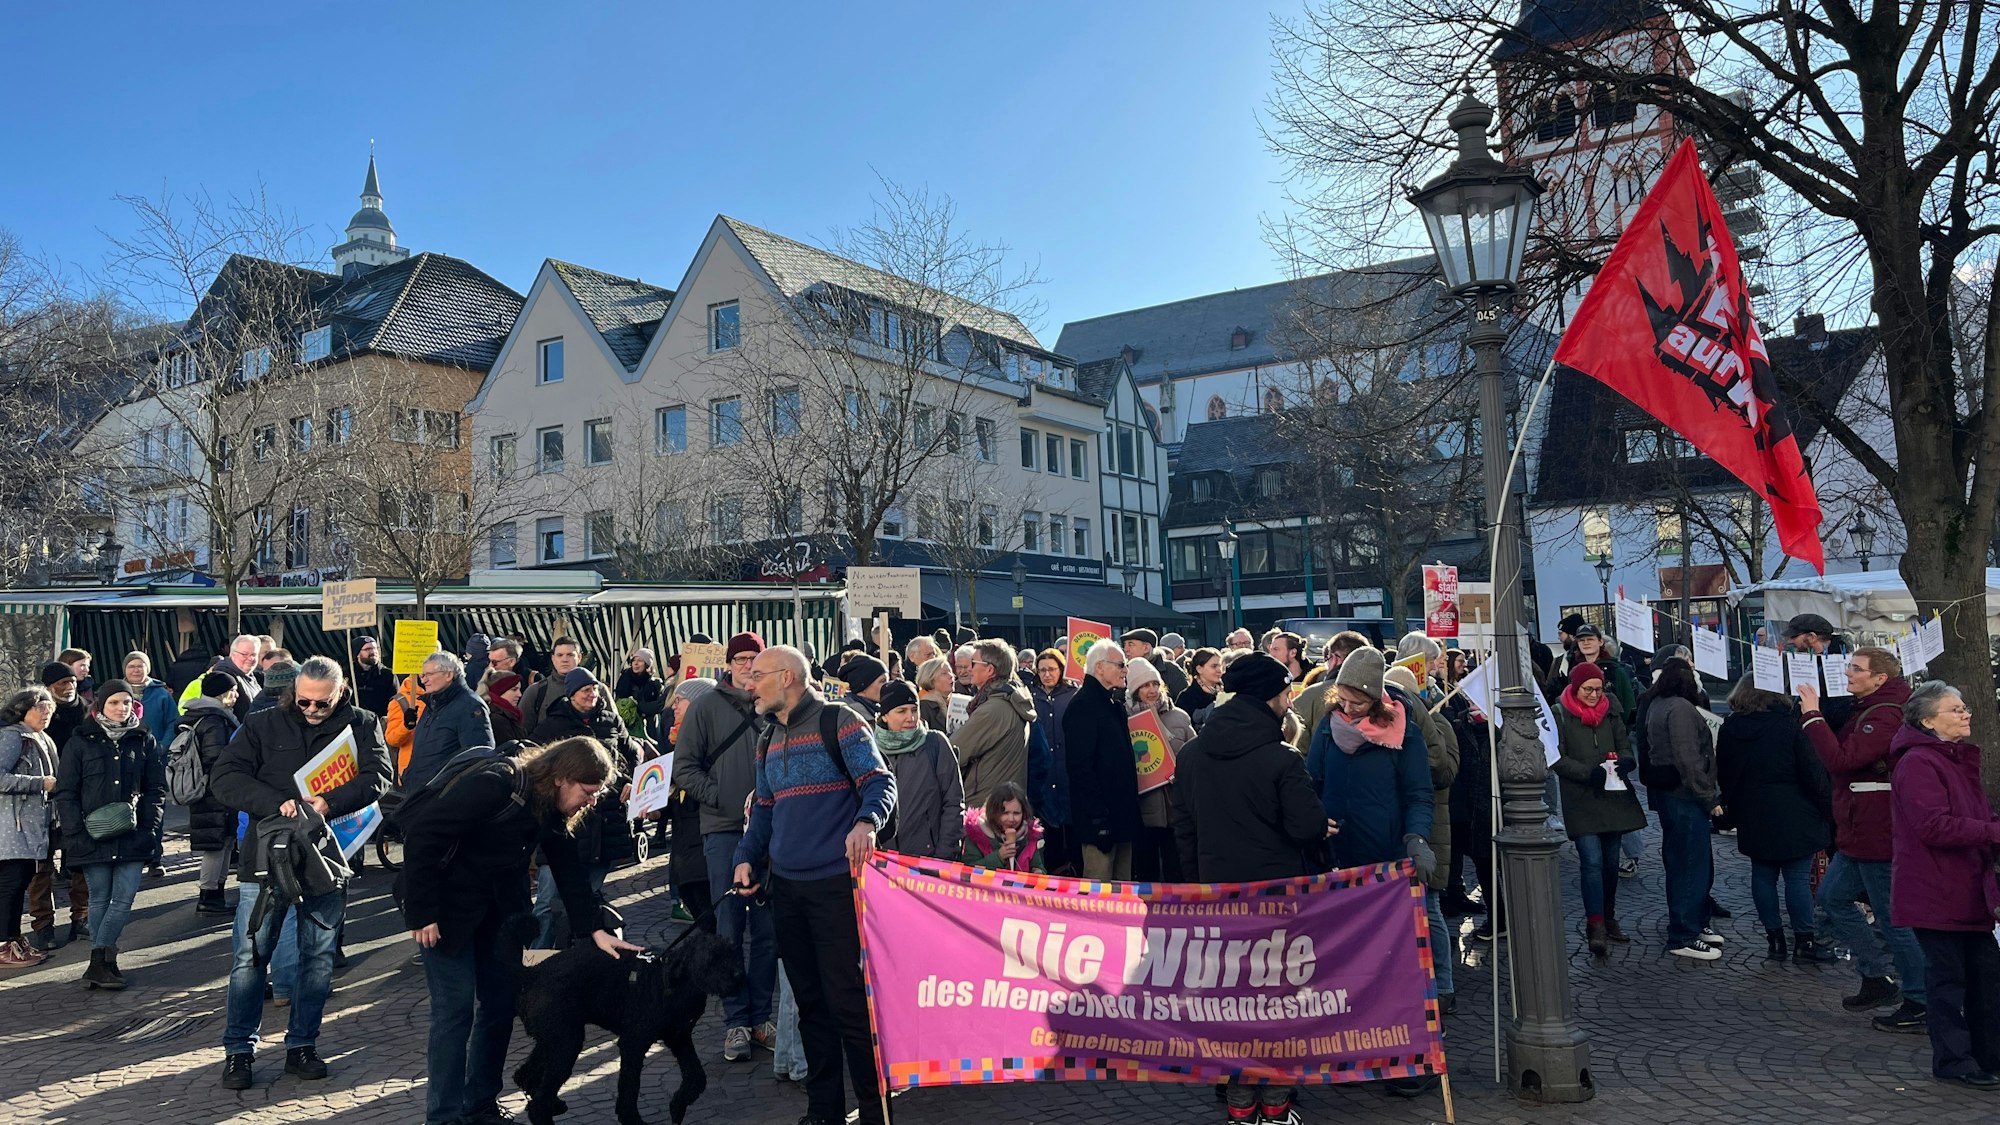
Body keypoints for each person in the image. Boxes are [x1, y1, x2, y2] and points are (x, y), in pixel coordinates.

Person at [402, 736, 640, 1125]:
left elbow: (568, 870)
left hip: (497, 916)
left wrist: (594, 929)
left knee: (498, 1006)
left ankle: (479, 1105)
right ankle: (443, 1117)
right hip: (446, 911)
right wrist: (422, 912)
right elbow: (425, 835)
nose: (592, 801)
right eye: (589, 790)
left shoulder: (550, 807)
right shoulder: (496, 784)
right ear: (562, 777)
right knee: (454, 1010)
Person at [210, 656, 392, 1090]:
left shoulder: (363, 723)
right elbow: (224, 777)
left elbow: (379, 776)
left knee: (317, 960)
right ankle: (239, 1051)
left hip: (325, 858)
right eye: (305, 702)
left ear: (340, 691)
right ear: (294, 691)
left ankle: (302, 1046)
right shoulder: (262, 723)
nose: (311, 710)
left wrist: (332, 801)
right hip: (266, 858)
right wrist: (277, 802)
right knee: (249, 960)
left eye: (322, 704)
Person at [732, 645, 896, 1125]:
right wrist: (745, 858)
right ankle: (823, 1111)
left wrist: (867, 823)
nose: (748, 682)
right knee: (809, 1006)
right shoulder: (765, 739)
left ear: (786, 677)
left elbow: (880, 783)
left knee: (849, 1006)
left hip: (835, 889)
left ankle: (873, 1111)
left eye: (757, 675)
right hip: (787, 891)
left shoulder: (840, 721)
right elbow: (764, 809)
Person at [1171, 649, 1327, 1125]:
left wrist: (1197, 882)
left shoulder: (1193, 752)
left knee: (1230, 997)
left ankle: (1239, 1099)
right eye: (1285, 693)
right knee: (1277, 998)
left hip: (1217, 897)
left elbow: (1185, 826)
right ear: (1273, 698)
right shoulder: (1281, 757)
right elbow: (1306, 827)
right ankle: (1276, 1103)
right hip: (1277, 900)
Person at [1799, 646, 1929, 1030]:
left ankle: (1920, 998)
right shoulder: (1871, 709)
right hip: (1859, 830)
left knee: (1893, 920)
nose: (1848, 674)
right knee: (1831, 897)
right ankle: (1876, 976)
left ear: (1879, 679)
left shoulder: (1885, 716)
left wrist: (1812, 717)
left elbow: (1841, 760)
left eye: (1856, 669)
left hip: (1876, 831)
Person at [1888, 681, 2000, 1088]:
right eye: (1955, 709)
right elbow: (1932, 826)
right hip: (1935, 890)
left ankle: (1989, 1054)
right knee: (1948, 981)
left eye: (1965, 707)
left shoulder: (1955, 759)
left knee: (1986, 976)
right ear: (1928, 720)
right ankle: (1953, 1060)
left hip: (1967, 887)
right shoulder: (1918, 762)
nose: (1966, 713)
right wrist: (1992, 832)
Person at [672, 631, 777, 1063]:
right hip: (723, 831)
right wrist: (718, 797)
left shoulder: (773, 706)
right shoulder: (704, 708)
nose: (747, 665)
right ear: (728, 663)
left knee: (769, 932)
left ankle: (760, 1017)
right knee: (729, 930)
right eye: (740, 658)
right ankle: (735, 1021)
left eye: (754, 658)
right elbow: (684, 767)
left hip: (772, 832)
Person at [51, 679, 167, 989]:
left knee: (124, 899)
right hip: (91, 834)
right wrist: (76, 831)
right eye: (114, 702)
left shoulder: (143, 739)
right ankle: (106, 963)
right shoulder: (80, 741)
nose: (121, 708)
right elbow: (66, 792)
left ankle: (97, 962)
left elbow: (156, 789)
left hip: (132, 835)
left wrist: (150, 828)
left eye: (126, 702)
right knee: (99, 898)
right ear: (100, 706)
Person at [1715, 675, 1835, 963]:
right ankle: (1804, 941)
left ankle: (1775, 940)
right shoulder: (1788, 727)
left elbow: (1724, 771)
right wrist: (1827, 805)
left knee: (1763, 875)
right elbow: (1813, 773)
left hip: (1752, 810)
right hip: (1794, 811)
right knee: (1796, 878)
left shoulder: (1730, 727)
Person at [529, 668, 639, 948]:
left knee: (587, 894)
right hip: (564, 823)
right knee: (547, 902)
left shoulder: (611, 719)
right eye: (585, 690)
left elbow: (631, 753)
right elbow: (538, 766)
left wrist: (630, 780)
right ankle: (536, 959)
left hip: (604, 824)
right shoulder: (552, 726)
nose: (592, 694)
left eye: (595, 688)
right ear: (570, 694)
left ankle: (573, 957)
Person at [1304, 647, 1435, 878]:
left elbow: (1419, 794)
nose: (1347, 709)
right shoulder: (1328, 726)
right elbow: (1311, 783)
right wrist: (1314, 820)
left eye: (1357, 703)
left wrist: (1417, 837)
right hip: (1334, 853)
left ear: (1375, 702)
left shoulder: (1405, 733)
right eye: (1342, 700)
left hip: (1385, 857)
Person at [1551, 662, 1647, 957]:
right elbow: (1556, 756)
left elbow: (1625, 744)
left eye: (1597, 688)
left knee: (1609, 862)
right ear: (1575, 688)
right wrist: (1586, 772)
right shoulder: (1559, 714)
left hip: (1613, 796)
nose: (1594, 694)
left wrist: (1627, 761)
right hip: (1581, 796)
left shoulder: (1611, 709)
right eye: (1587, 689)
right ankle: (1596, 926)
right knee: (1591, 861)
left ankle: (1608, 916)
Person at [1646, 661, 1725, 961]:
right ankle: (1684, 933)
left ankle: (1694, 923)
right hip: (1684, 796)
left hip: (1674, 795)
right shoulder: (1679, 708)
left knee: (1686, 862)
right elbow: (1688, 758)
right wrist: (1709, 797)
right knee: (1690, 864)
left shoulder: (1658, 704)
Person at [1064, 640, 1141, 880]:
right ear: (1100, 668)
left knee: (1122, 894)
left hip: (1121, 819)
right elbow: (1080, 769)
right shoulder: (1082, 707)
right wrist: (1098, 820)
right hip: (1099, 823)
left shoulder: (1113, 705)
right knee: (1099, 896)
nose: (1125, 670)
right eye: (1120, 664)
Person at [177, 672, 245, 917]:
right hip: (214, 791)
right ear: (221, 693)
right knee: (217, 844)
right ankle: (210, 896)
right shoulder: (215, 720)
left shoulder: (202, 716)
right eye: (233, 690)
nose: (236, 695)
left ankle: (215, 893)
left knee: (223, 842)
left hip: (207, 789)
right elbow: (217, 759)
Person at [872, 680, 963, 860]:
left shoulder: (935, 743)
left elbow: (953, 802)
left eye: (914, 709)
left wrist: (944, 853)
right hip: (883, 863)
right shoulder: (870, 748)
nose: (910, 717)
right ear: (884, 716)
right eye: (901, 711)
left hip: (929, 860)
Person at [0, 688, 58, 968]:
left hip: (32, 825)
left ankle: (14, 939)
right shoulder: (13, 736)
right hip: (12, 827)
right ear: (23, 709)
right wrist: (39, 783)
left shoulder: (42, 738)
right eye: (40, 709)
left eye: (49, 709)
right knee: (11, 885)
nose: (46, 714)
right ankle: (5, 943)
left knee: (20, 881)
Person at [1123, 657, 1192, 882]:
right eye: (1144, 685)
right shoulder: (1124, 719)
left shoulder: (1179, 716)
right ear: (1134, 690)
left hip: (1176, 806)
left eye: (1154, 684)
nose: (1151, 690)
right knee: (1147, 872)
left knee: (1177, 870)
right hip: (1144, 809)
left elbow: (1194, 756)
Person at [953, 639, 1034, 808]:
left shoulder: (994, 708)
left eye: (973, 663)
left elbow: (955, 751)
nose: (968, 669)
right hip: (1001, 799)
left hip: (986, 803)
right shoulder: (1007, 699)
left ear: (990, 669)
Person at [663, 678, 717, 926]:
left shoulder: (709, 737)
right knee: (693, 899)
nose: (674, 706)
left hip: (702, 835)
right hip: (685, 840)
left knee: (705, 905)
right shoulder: (678, 737)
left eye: (680, 700)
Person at [406, 653, 495, 791]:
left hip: (442, 796)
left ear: (448, 675)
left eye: (428, 674)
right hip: (420, 792)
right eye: (422, 675)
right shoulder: (432, 703)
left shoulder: (470, 706)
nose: (423, 680)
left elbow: (479, 756)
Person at [1028, 649, 1077, 873]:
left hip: (1068, 771)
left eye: (1052, 669)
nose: (1047, 674)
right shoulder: (1031, 697)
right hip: (1043, 775)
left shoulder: (1072, 694)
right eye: (1042, 670)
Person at [1288, 632, 1370, 751]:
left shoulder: (1312, 695)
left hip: (1323, 767)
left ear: (1336, 658)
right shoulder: (1386, 693)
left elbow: (1296, 743)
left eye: (1327, 659)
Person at [962, 781, 1043, 872]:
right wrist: (999, 856)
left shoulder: (1030, 838)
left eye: (1016, 813)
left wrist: (1038, 872)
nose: (1011, 819)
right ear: (993, 812)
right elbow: (968, 871)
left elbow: (1039, 867)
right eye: (1005, 813)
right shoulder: (976, 835)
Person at [179, 634, 260, 720]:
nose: (251, 658)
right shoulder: (223, 677)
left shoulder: (250, 675)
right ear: (232, 654)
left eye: (254, 655)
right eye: (245, 654)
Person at [520, 637, 585, 731]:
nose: (565, 659)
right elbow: (523, 730)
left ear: (579, 657)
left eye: (570, 655)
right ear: (553, 658)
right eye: (560, 655)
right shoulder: (536, 691)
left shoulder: (598, 690)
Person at [615, 648, 668, 743]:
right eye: (634, 660)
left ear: (647, 664)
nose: (635, 663)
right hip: (628, 725)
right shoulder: (625, 679)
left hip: (649, 727)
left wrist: (639, 706)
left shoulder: (655, 684)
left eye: (640, 661)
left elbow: (658, 706)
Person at [1123, 629, 1189, 701]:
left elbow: (1185, 701)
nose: (1126, 649)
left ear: (1146, 648)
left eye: (1131, 644)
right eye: (1125, 645)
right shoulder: (1123, 672)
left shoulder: (1171, 670)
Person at [44, 662, 89, 756]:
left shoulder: (89, 709)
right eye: (63, 683)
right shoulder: (40, 712)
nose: (70, 687)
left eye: (73, 681)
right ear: (49, 687)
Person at [352, 636, 395, 719]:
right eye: (368, 649)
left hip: (380, 725)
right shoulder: (347, 674)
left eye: (375, 648)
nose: (373, 652)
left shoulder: (387, 675)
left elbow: (395, 702)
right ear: (357, 654)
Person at [482, 673, 530, 746]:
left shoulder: (512, 714)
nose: (519, 694)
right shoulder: (496, 719)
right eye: (514, 690)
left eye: (519, 689)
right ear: (499, 690)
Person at [838, 655, 889, 724]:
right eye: (882, 681)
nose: (887, 685)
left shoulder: (875, 711)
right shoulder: (847, 716)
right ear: (863, 686)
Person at [1176, 647, 1223, 719]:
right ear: (1199, 669)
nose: (1219, 670)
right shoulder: (1187, 697)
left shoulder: (1226, 690)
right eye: (1214, 666)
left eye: (1221, 665)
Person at [915, 657, 955, 732]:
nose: (951, 676)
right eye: (944, 673)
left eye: (950, 672)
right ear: (931, 680)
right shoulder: (924, 706)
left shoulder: (956, 703)